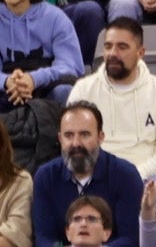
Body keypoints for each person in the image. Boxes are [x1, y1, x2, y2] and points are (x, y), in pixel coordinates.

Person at [70, 19, 156, 181]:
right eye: (108, 46)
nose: (113, 54)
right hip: (95, 174)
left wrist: (136, 173)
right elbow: (73, 143)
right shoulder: (83, 89)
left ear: (141, 53)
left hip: (146, 175)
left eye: (122, 47)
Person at [32, 103, 146, 247]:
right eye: (69, 135)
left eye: (84, 134)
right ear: (60, 139)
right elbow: (43, 238)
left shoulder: (125, 175)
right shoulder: (45, 176)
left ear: (100, 137)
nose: (76, 143)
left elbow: (131, 238)